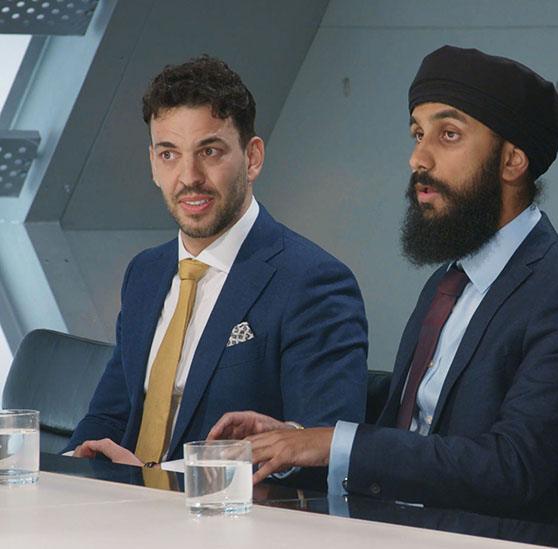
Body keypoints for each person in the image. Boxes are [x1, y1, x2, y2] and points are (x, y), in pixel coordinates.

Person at [209, 45, 558, 529]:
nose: (417, 158)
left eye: (448, 135)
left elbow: (511, 470)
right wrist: (298, 442)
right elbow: (407, 442)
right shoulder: (445, 284)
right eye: (417, 133)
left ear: (513, 160)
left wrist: (333, 444)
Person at [65, 56, 368, 467]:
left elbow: (327, 449)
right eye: (169, 154)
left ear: (253, 157)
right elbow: (108, 416)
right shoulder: (145, 273)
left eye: (209, 151)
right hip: (123, 512)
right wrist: (72, 465)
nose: (189, 176)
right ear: (153, 164)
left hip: (229, 519)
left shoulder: (312, 282)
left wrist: (153, 480)